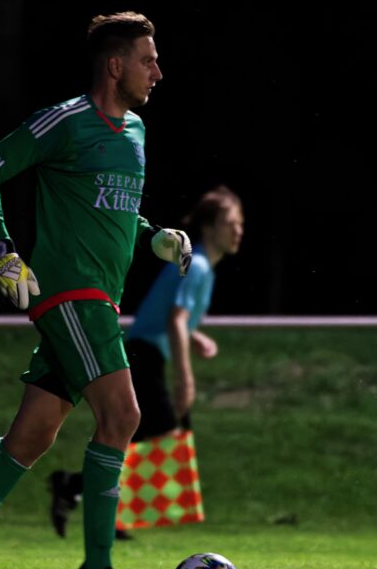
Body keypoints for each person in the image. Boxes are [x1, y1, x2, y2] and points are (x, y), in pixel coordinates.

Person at [0, 11, 192, 569]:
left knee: (31, 437)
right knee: (123, 414)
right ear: (116, 65)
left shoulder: (136, 132)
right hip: (68, 296)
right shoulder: (65, 121)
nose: (158, 71)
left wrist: (154, 238)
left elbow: (110, 213)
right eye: (148, 59)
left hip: (99, 301)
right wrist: (2, 249)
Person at [48, 185, 244, 539]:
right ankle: (88, 495)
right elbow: (174, 320)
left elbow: (171, 318)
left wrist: (194, 337)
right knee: (161, 435)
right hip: (143, 355)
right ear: (211, 226)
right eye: (232, 222)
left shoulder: (201, 266)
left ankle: (88, 496)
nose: (238, 230)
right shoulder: (197, 265)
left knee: (143, 438)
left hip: (145, 352)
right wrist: (186, 379)